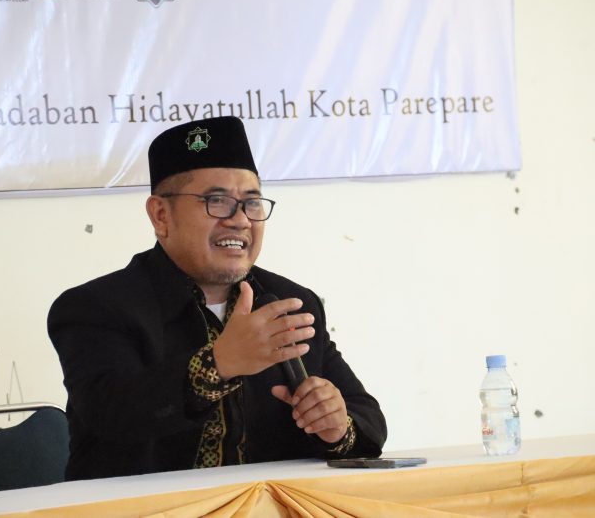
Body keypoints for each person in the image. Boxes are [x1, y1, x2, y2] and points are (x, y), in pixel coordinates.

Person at [48, 116, 386, 481]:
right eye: (217, 201)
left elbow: (367, 418)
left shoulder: (290, 303)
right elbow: (112, 415)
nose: (240, 220)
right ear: (161, 215)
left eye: (252, 203)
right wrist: (219, 364)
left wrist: (335, 425)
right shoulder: (95, 308)